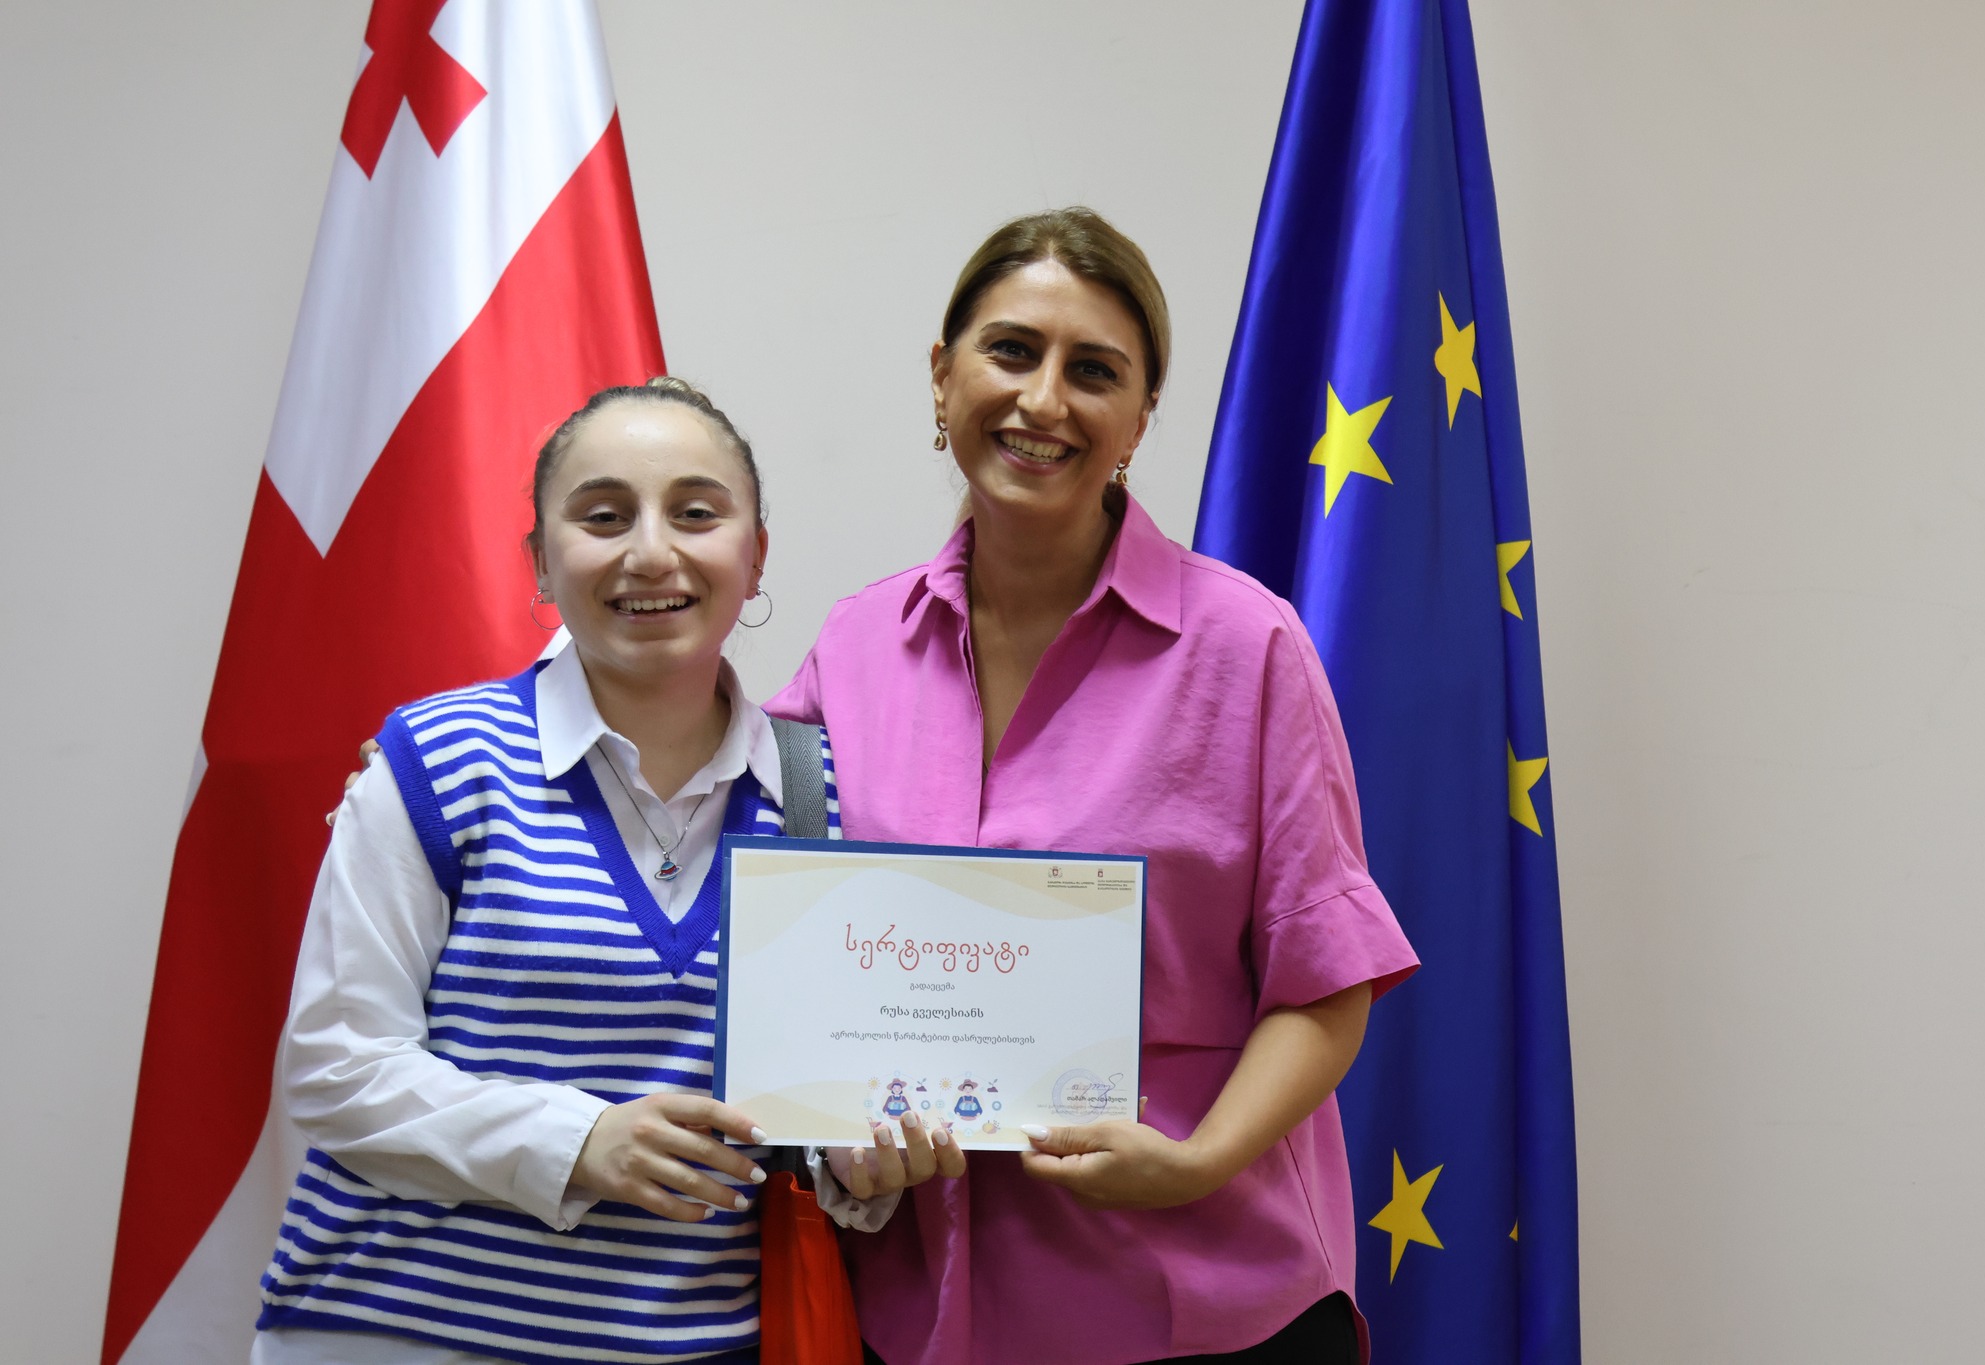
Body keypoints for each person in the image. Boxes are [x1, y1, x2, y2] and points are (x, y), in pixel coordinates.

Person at [768, 208, 1420, 1365]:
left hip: (1202, 1303)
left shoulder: (1247, 648)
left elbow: (1327, 982)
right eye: (1011, 351)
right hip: (919, 1315)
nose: (1042, 400)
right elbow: (786, 944)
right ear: (942, 374)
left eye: (1093, 371)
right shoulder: (853, 647)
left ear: (1138, 418)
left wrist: (1196, 1163)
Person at [257, 377, 961, 1365]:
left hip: (694, 1343)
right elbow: (337, 1067)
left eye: (696, 513)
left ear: (756, 554)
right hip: (399, 1332)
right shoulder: (437, 762)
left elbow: (807, 1117)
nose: (651, 551)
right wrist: (575, 1142)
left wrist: (860, 1163)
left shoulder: (822, 804)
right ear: (540, 562)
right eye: (602, 517)